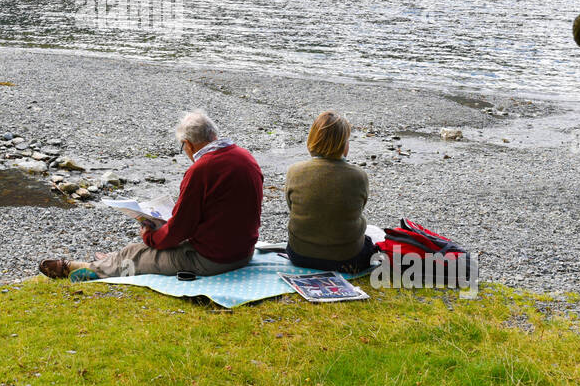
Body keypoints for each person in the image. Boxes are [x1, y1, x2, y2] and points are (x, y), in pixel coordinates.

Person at [39, 111, 263, 281]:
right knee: (136, 249)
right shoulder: (245, 157)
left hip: (213, 259)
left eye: (182, 147)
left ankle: (81, 270)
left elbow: (179, 230)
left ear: (188, 144)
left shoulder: (201, 170)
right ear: (213, 135)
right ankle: (112, 260)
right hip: (243, 251)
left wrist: (150, 235)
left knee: (136, 253)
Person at [284, 111, 378, 274]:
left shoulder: (295, 171)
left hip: (299, 254)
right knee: (370, 242)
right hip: (346, 258)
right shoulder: (358, 176)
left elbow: (292, 207)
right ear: (343, 144)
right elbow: (358, 209)